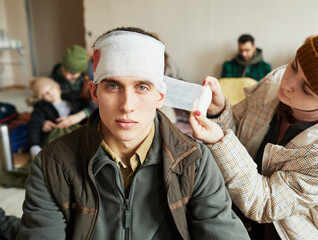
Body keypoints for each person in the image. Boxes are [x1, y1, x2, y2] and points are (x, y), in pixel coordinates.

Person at [16, 27, 250, 240]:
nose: (127, 105)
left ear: (160, 96)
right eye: (112, 86)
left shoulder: (194, 162)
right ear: (94, 93)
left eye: (142, 87)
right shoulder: (52, 165)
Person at [189, 28, 318, 240]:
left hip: (303, 229)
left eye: (306, 89)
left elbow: (265, 203)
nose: (287, 84)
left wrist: (220, 141)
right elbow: (239, 133)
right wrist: (219, 111)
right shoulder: (273, 84)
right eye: (294, 66)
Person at [27, 77, 82, 160]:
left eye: (51, 88)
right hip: (57, 139)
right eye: (45, 93)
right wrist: (34, 146)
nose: (50, 93)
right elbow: (34, 125)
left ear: (57, 87)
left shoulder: (74, 100)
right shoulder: (41, 109)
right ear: (40, 98)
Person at [49, 44, 97, 128]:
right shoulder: (54, 77)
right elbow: (45, 104)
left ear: (82, 71)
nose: (67, 76)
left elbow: (99, 101)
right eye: (65, 70)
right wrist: (44, 121)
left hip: (86, 115)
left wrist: (79, 116)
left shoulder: (92, 76)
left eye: (72, 73)